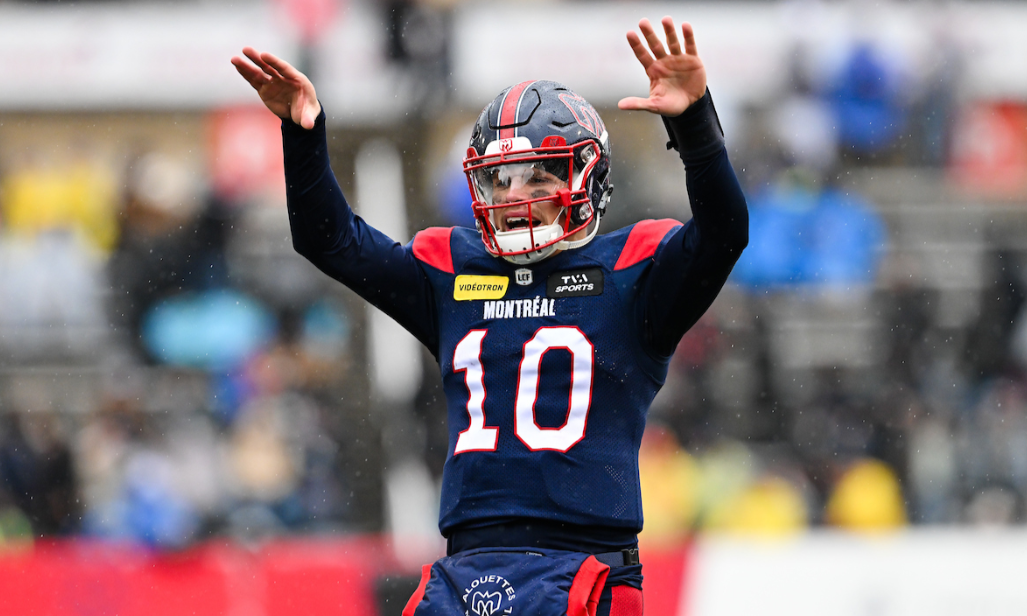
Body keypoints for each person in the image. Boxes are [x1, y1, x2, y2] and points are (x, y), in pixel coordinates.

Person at [233, 16, 747, 616]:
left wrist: (695, 124)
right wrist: (303, 134)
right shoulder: (451, 269)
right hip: (467, 570)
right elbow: (331, 241)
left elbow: (724, 233)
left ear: (589, 176)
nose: (514, 195)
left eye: (538, 175)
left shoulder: (634, 271)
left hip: (586, 568)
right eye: (500, 179)